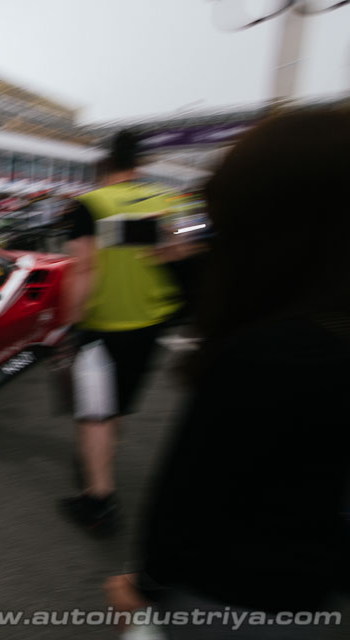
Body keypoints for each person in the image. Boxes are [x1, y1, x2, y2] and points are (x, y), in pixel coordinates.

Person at [105, 110, 350, 639]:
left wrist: (147, 583)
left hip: (230, 602)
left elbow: (191, 495)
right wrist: (180, 255)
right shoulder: (321, 322)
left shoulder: (274, 354)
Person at [59, 130, 185, 534]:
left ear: (105, 164)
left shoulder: (90, 204)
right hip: (151, 324)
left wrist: (72, 323)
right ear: (139, 165)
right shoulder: (169, 200)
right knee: (117, 407)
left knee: (94, 413)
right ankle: (102, 464)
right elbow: (189, 245)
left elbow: (84, 269)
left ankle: (99, 500)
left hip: (103, 328)